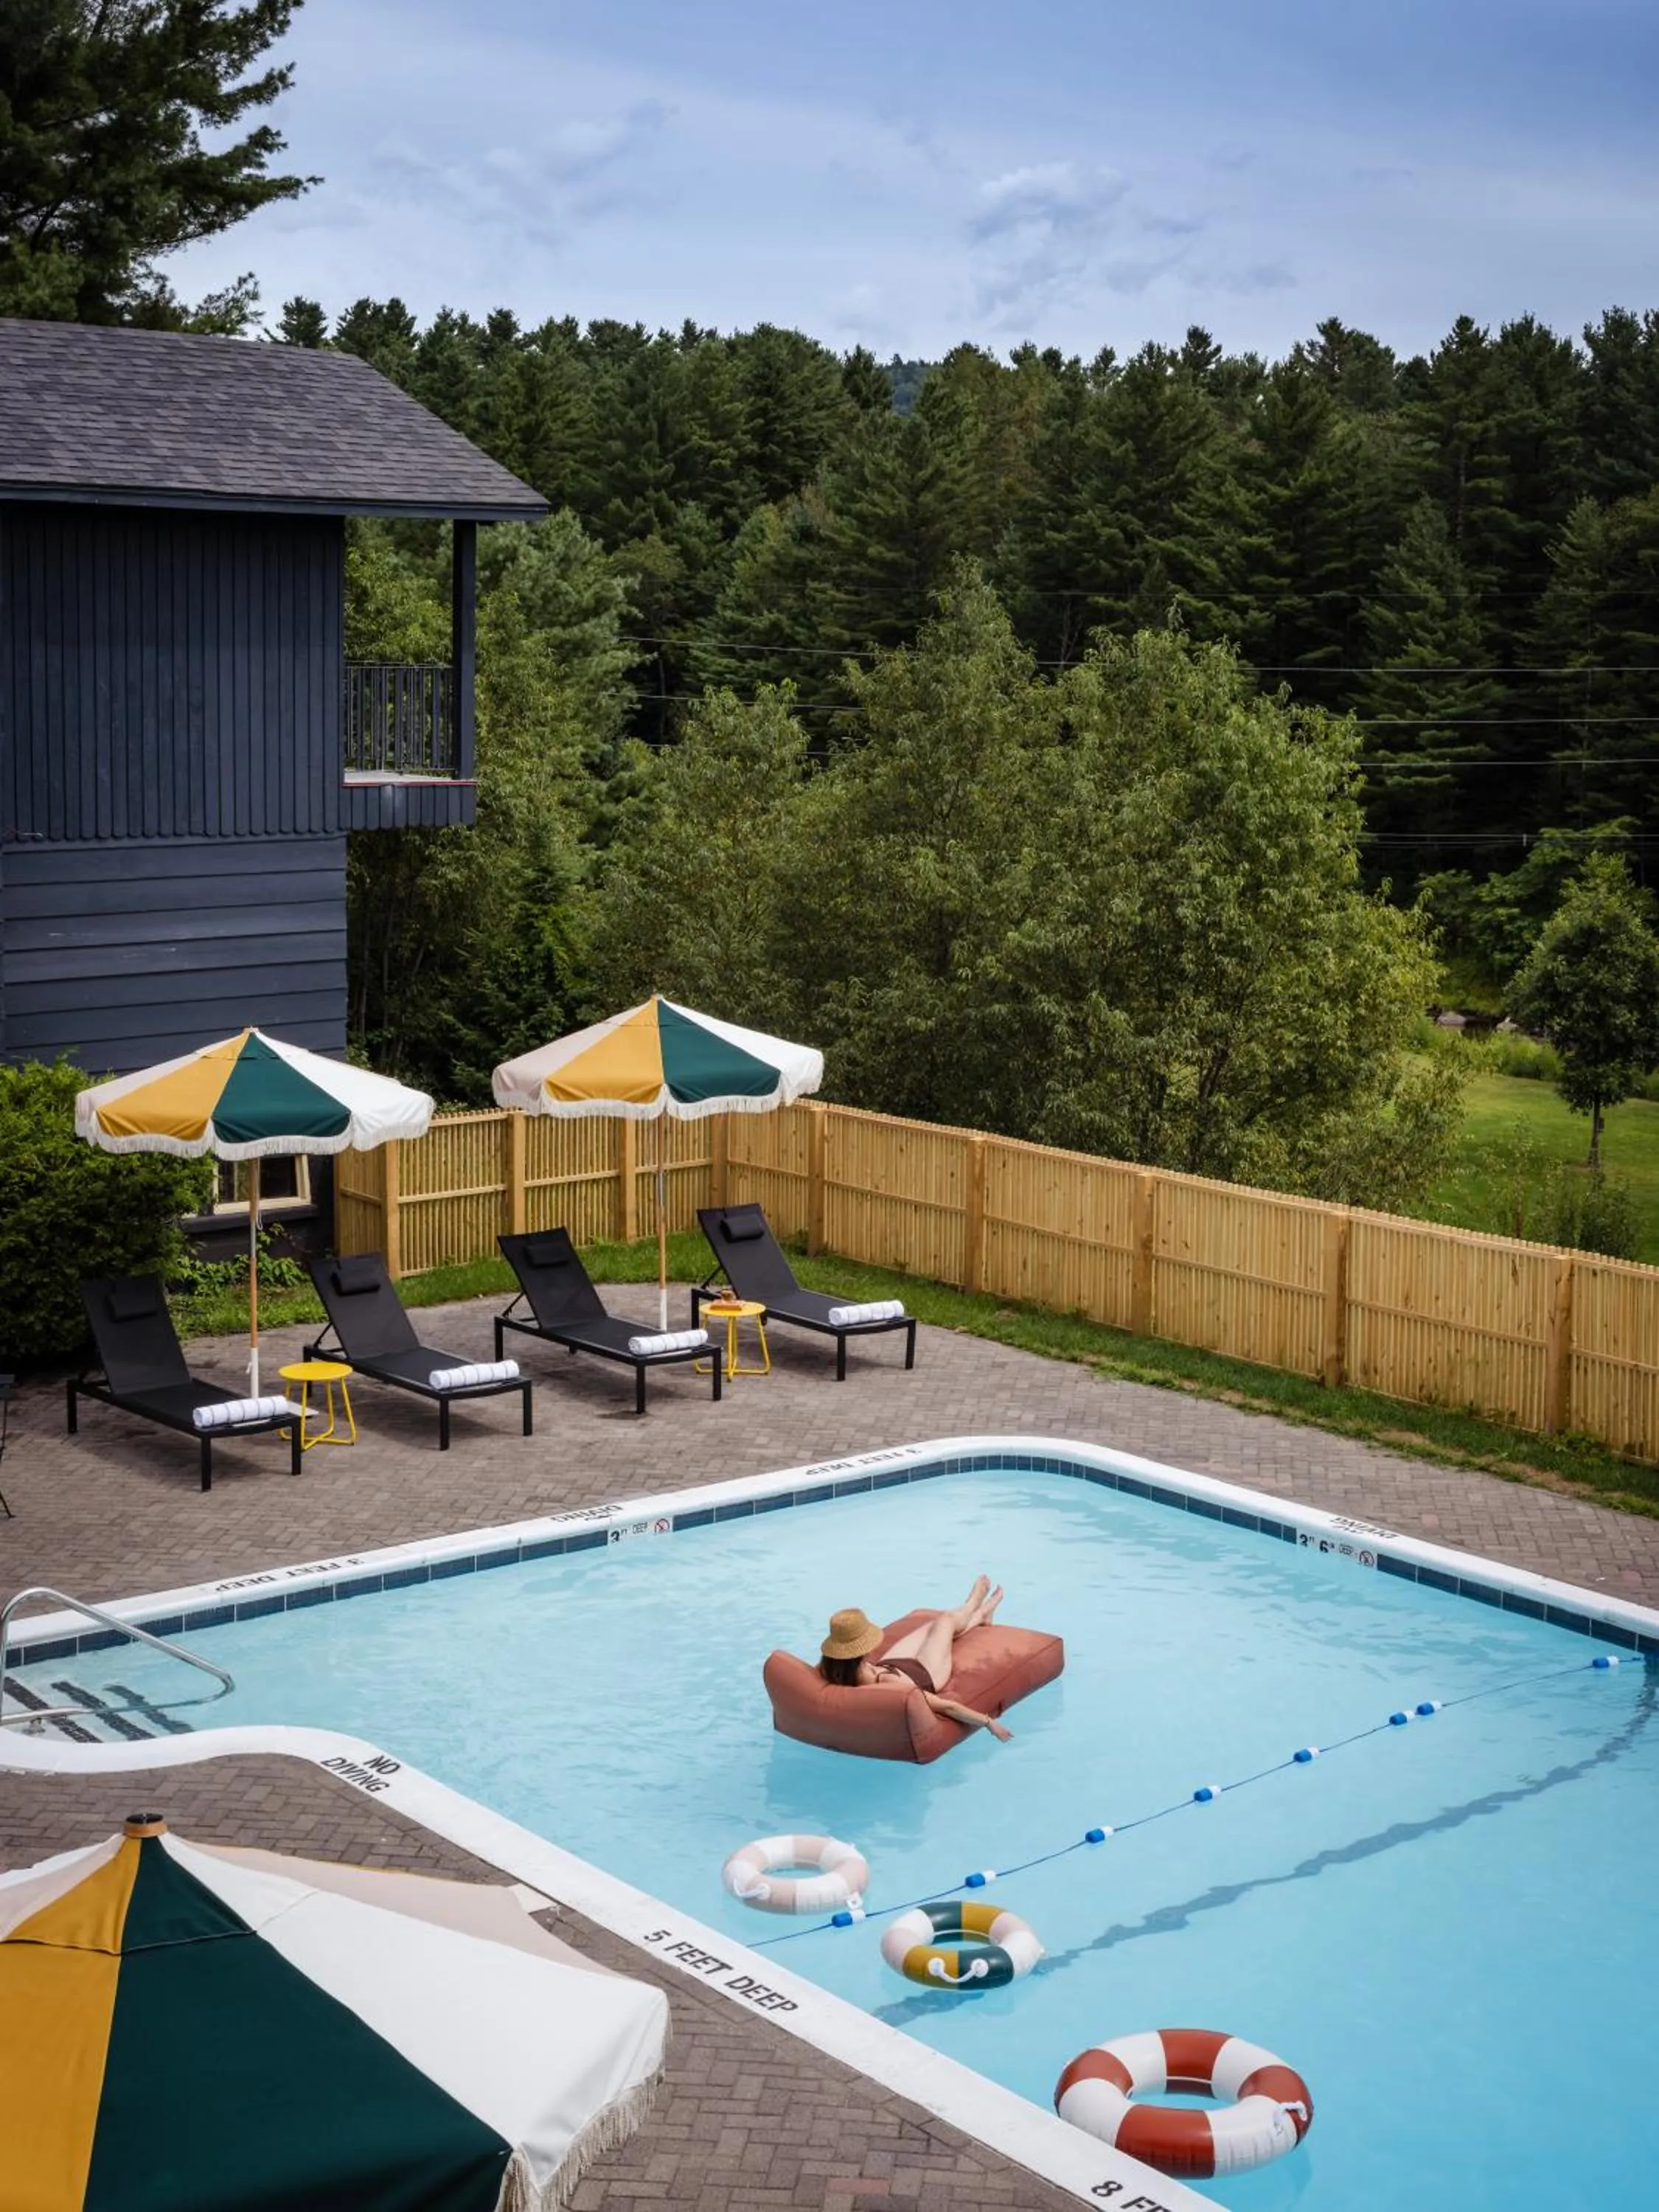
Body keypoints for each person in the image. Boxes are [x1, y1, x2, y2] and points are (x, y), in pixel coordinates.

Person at [817, 1576, 1013, 1742]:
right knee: (945, 1621)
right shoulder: (888, 1686)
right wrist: (989, 1722)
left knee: (935, 1627)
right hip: (925, 1673)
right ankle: (973, 1605)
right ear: (863, 1651)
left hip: (891, 1664)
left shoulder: (829, 1667)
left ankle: (981, 1616)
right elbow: (946, 1706)